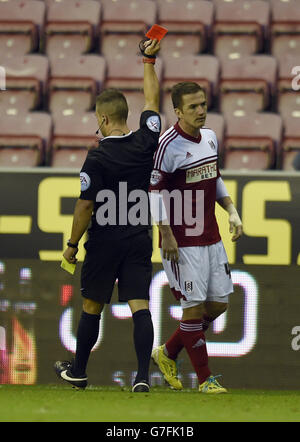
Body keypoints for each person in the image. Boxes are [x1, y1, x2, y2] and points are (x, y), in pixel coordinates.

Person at [54, 38, 161, 393]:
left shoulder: (97, 158)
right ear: (126, 116)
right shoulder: (147, 141)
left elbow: (85, 206)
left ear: (102, 118)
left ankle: (79, 371)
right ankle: (143, 378)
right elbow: (153, 101)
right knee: (139, 305)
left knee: (91, 305)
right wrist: (148, 62)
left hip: (103, 240)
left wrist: (71, 244)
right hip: (137, 237)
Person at [149, 82, 243, 393]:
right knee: (192, 308)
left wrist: (231, 210)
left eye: (203, 104)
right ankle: (206, 380)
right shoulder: (167, 145)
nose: (201, 110)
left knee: (217, 305)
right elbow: (154, 193)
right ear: (177, 111)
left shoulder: (211, 138)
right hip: (182, 242)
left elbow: (213, 176)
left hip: (212, 237)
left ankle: (167, 352)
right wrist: (166, 234)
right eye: (193, 107)